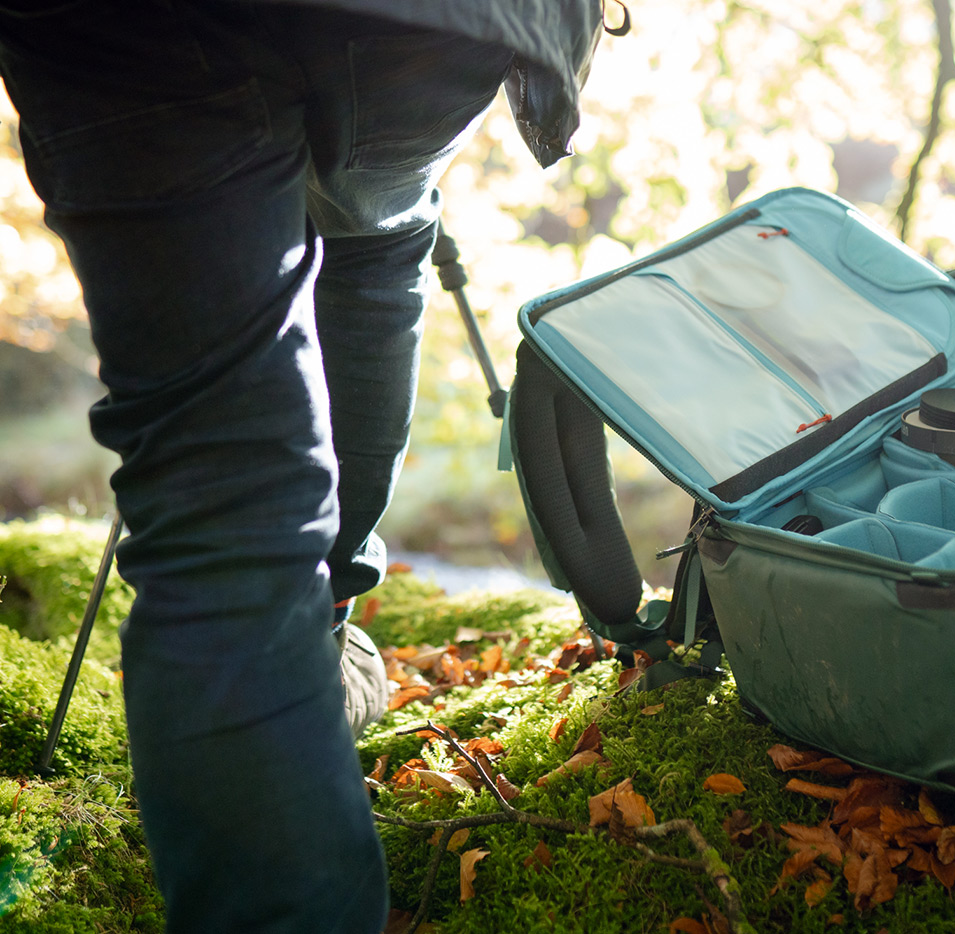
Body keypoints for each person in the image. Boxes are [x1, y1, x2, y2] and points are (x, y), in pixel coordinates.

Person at [0, 1, 609, 931]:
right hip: (415, 26)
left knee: (218, 485)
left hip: (124, 42)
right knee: (373, 229)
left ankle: (294, 658)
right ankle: (318, 638)